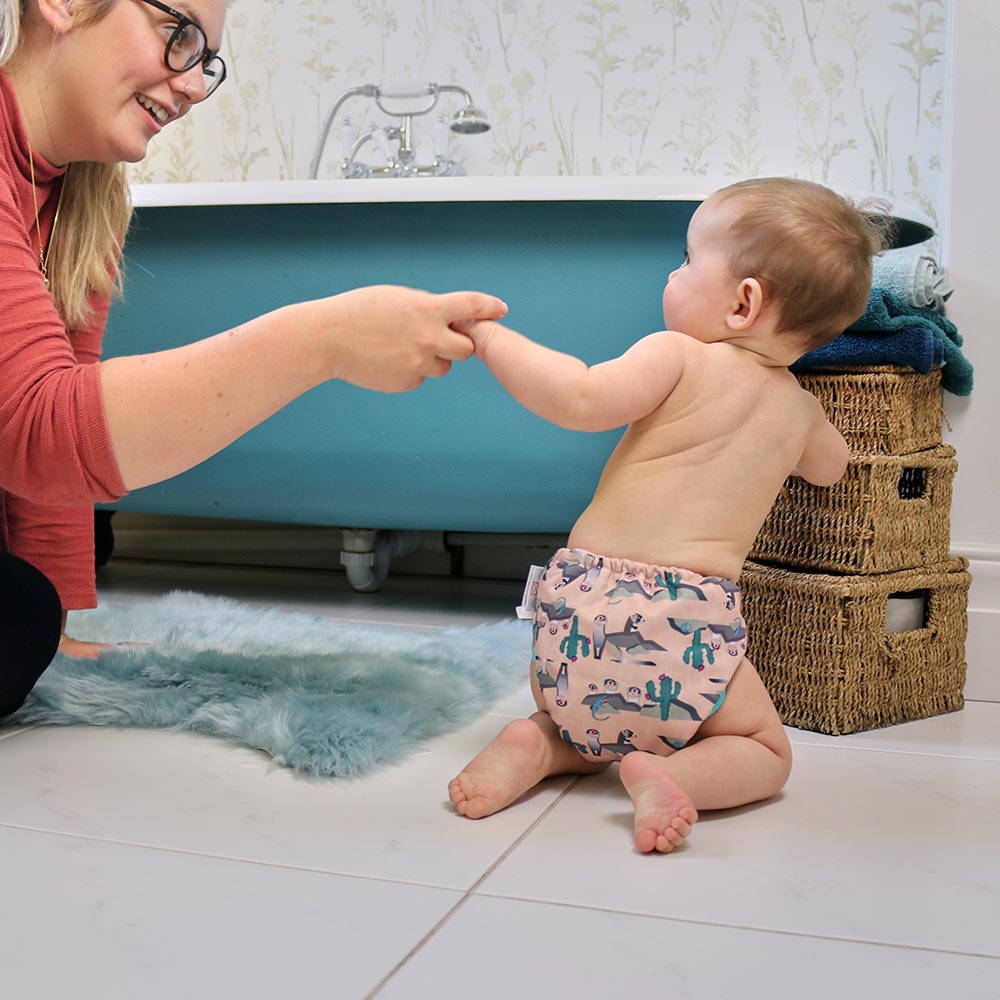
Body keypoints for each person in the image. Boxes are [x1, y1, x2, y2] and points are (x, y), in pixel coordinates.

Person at [0, 0, 507, 717]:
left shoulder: (84, 200)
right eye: (178, 35)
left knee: (23, 621)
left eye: (206, 57)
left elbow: (44, 445)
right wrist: (324, 339)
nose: (195, 85)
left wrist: (61, 624)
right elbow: (41, 430)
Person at [448, 176, 887, 854]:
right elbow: (833, 467)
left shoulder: (676, 356)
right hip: (684, 631)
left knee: (581, 722)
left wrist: (490, 339)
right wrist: (810, 419)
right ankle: (672, 773)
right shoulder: (798, 411)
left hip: (578, 617)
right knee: (765, 749)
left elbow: (579, 399)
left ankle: (540, 742)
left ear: (744, 304)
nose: (673, 272)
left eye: (686, 259)